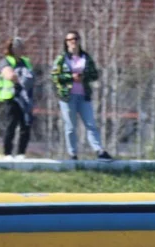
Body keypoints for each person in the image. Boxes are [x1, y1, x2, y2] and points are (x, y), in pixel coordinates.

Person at [51, 31, 111, 160]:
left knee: (90, 124)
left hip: (83, 96)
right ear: (66, 43)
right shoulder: (61, 59)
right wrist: (70, 77)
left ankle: (99, 151)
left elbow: (95, 74)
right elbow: (55, 76)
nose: (73, 42)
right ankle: (72, 153)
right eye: (69, 40)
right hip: (67, 97)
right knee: (70, 126)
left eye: (75, 39)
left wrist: (83, 77)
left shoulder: (86, 57)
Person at [0, 37, 34, 159]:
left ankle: (21, 153)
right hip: (10, 97)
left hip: (25, 99)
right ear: (11, 48)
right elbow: (9, 75)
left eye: (21, 46)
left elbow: (31, 77)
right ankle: (7, 153)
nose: (19, 49)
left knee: (25, 125)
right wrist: (20, 77)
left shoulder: (26, 62)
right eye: (17, 46)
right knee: (11, 125)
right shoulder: (6, 61)